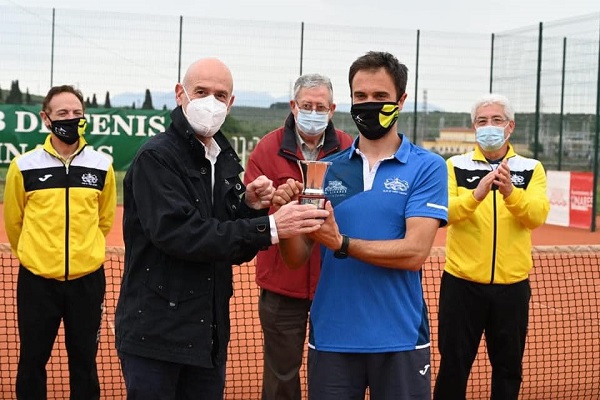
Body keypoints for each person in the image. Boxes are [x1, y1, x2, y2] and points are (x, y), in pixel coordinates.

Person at [114, 57, 329, 400]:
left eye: (220, 95)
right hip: (155, 336)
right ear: (180, 94)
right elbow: (182, 235)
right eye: (201, 91)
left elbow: (223, 237)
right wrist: (271, 225)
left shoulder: (222, 158)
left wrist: (248, 207)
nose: (210, 102)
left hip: (207, 335)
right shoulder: (157, 157)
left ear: (230, 104)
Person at [277, 51, 448, 399]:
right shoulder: (329, 168)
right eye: (361, 97)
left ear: (400, 100)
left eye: (380, 97)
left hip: (400, 338)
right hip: (333, 336)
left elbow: (414, 252)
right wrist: (285, 220)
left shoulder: (427, 167)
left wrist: (342, 243)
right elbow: (297, 257)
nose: (369, 105)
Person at [433, 93, 550, 399]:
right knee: (453, 367)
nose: (489, 126)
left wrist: (511, 192)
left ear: (510, 127)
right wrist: (476, 195)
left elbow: (536, 216)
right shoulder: (454, 165)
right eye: (482, 121)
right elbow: (445, 212)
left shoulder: (531, 168)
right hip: (461, 285)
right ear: (474, 127)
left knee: (508, 369)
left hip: (512, 287)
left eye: (497, 120)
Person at [244, 73, 353, 400]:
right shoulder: (267, 148)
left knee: (336, 373)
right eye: (307, 105)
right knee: (281, 377)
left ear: (332, 109)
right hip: (281, 286)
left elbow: (356, 208)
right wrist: (274, 202)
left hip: (334, 285)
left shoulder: (349, 149)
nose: (314, 112)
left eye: (321, 106)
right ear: (293, 106)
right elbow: (250, 212)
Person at [3, 85, 117, 399]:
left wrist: (82, 253)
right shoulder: (23, 167)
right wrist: (36, 257)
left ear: (84, 118)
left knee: (84, 363)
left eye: (77, 114)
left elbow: (104, 219)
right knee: (32, 361)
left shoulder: (101, 165)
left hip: (87, 283)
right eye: (62, 113)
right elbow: (15, 222)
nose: (70, 119)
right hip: (37, 284)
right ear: (46, 118)